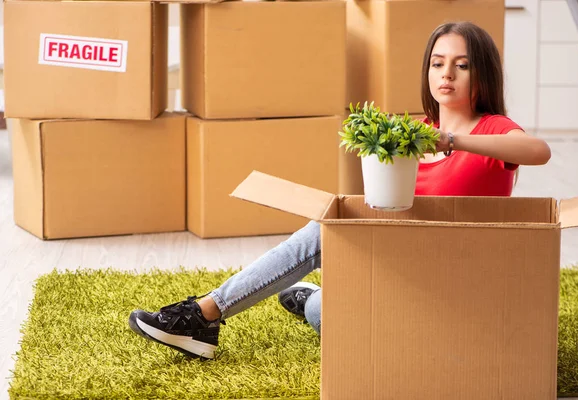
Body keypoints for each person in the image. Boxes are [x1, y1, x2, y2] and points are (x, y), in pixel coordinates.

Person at [128, 21, 552, 359]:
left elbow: (537, 151)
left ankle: (214, 312)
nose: (447, 74)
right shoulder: (414, 132)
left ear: (482, 72)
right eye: (438, 63)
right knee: (325, 246)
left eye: (462, 64)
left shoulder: (493, 129)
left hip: (459, 281)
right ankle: (212, 313)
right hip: (406, 268)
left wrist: (453, 142)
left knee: (324, 309)